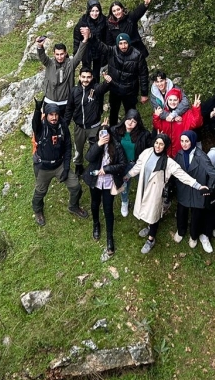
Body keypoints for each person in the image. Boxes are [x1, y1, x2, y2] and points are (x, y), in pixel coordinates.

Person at [127, 134, 209, 254]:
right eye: (156, 143)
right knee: (146, 209)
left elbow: (182, 175)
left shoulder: (169, 162)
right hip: (144, 187)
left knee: (153, 214)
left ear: (165, 146)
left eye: (161, 144)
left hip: (155, 192)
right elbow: (138, 166)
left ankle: (151, 239)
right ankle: (149, 227)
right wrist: (127, 175)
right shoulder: (147, 152)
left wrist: (198, 185)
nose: (158, 146)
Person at [31, 99, 88, 226]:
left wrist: (66, 168)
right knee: (40, 192)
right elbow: (35, 124)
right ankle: (38, 210)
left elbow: (68, 147)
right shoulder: (41, 127)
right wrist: (37, 110)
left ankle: (73, 206)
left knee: (76, 187)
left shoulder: (63, 126)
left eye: (56, 114)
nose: (54, 117)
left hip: (60, 165)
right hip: (43, 167)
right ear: (46, 115)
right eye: (51, 114)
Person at [172, 130, 215, 253]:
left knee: (196, 215)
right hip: (183, 189)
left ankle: (193, 236)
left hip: (199, 190)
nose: (184, 144)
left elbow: (213, 174)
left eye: (187, 141)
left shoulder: (201, 156)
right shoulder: (179, 154)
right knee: (181, 211)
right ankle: (181, 231)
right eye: (182, 141)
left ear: (192, 141)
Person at [83, 126, 128, 260]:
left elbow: (122, 164)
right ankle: (96, 224)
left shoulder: (117, 146)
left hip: (109, 183)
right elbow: (88, 157)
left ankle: (109, 237)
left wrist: (107, 169)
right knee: (95, 204)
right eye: (102, 134)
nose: (104, 136)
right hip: (96, 182)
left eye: (106, 134)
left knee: (108, 209)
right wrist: (98, 144)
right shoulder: (96, 144)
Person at [110, 108, 153, 217]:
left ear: (137, 123)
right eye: (129, 119)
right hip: (123, 165)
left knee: (143, 184)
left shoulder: (144, 134)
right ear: (124, 119)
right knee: (124, 185)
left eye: (134, 121)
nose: (130, 123)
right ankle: (125, 202)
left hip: (137, 165)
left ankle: (143, 202)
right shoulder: (116, 131)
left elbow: (151, 148)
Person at [99, 32, 149, 126]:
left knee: (131, 113)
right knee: (113, 112)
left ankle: (133, 133)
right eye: (120, 43)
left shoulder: (138, 55)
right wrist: (90, 36)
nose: (123, 46)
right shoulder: (112, 51)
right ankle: (113, 132)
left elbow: (143, 75)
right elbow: (100, 46)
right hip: (114, 89)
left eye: (125, 43)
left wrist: (144, 94)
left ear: (129, 43)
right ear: (117, 44)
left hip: (130, 91)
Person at [36, 28, 89, 115]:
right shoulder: (49, 63)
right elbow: (42, 56)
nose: (59, 57)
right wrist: (40, 46)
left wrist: (85, 40)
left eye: (61, 54)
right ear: (54, 54)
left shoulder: (71, 64)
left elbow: (79, 55)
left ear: (65, 53)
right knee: (49, 126)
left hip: (65, 103)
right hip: (49, 102)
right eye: (57, 54)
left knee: (64, 126)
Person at [69, 67, 110, 179]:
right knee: (78, 148)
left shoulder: (95, 89)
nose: (86, 79)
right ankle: (78, 166)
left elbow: (103, 88)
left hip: (94, 127)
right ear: (79, 77)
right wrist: (65, 124)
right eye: (83, 77)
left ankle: (94, 167)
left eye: (88, 77)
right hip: (79, 127)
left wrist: (107, 82)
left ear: (92, 78)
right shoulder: (74, 91)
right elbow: (69, 108)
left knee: (95, 148)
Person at [73, 0, 109, 76]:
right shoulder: (83, 21)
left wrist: (106, 54)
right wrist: (76, 52)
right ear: (89, 11)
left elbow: (107, 38)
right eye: (92, 11)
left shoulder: (104, 21)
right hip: (86, 50)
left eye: (97, 11)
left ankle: (95, 87)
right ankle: (86, 86)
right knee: (86, 70)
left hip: (99, 49)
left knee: (96, 73)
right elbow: (76, 37)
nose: (94, 13)